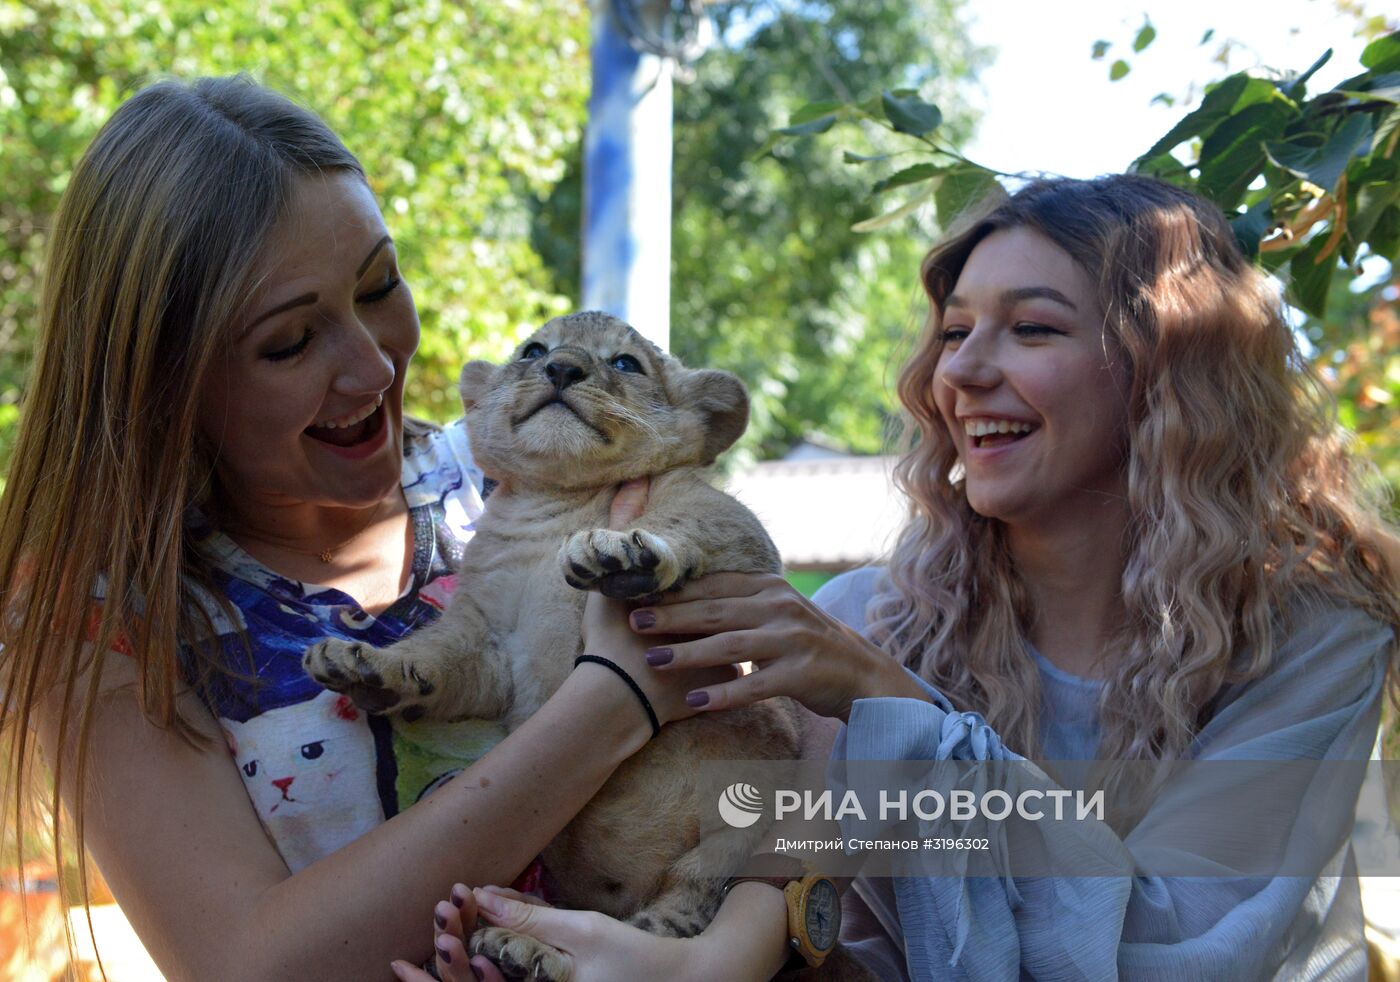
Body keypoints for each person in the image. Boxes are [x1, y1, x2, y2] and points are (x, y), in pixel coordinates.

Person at [431, 175, 1400, 980]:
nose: (959, 372)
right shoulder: (866, 619)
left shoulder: (1312, 639)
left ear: (1161, 375)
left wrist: (890, 704)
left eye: (1031, 329)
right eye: (954, 329)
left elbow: (1172, 947)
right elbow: (787, 909)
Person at [0, 75, 797, 981]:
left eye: (379, 285)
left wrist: (737, 944)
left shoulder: (541, 463)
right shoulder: (102, 621)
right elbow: (249, 966)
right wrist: (613, 698)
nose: (374, 364)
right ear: (163, 381)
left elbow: (826, 770)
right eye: (290, 343)